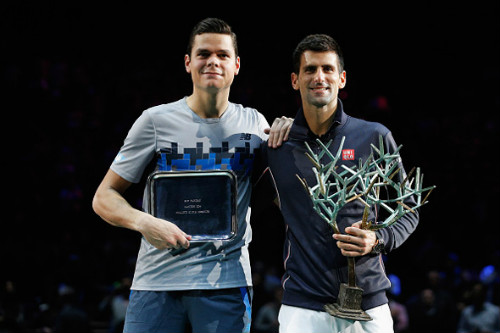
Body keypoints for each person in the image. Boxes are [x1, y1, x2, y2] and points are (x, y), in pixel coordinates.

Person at [92, 18, 292, 333]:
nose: (213, 61)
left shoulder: (256, 124)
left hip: (226, 284)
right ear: (188, 63)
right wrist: (145, 223)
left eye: (223, 55)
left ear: (236, 65)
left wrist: (297, 141)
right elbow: (103, 197)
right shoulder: (154, 121)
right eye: (203, 54)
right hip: (156, 282)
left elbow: (281, 196)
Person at [260, 34, 420, 333]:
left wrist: (379, 239)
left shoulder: (374, 136)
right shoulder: (276, 146)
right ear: (295, 80)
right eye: (310, 70)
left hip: (368, 302)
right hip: (302, 307)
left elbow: (409, 207)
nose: (319, 77)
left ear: (342, 78)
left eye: (327, 69)